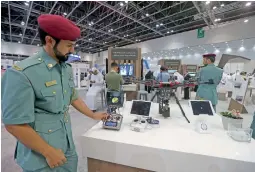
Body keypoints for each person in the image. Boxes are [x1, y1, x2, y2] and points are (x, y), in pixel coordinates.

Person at [1, 14, 108, 172]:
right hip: (42, 156)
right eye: (68, 45)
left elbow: (73, 97)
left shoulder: (66, 68)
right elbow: (14, 124)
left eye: (74, 45)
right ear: (50, 41)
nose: (73, 50)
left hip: (67, 145)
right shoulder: (22, 73)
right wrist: (48, 151)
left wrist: (92, 115)